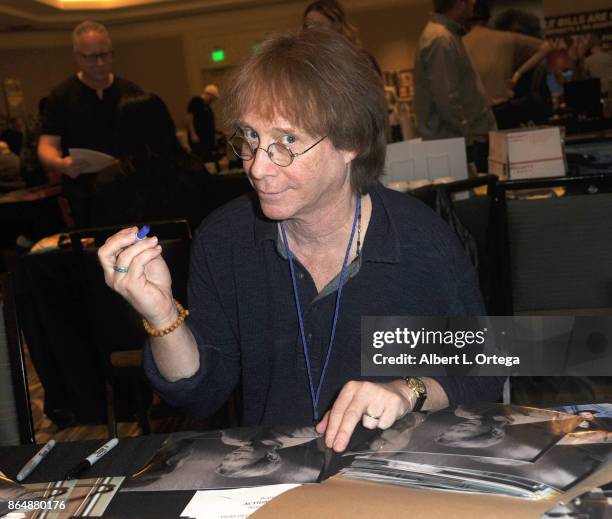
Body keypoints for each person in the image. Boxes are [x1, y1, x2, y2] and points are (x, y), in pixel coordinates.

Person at [98, 29, 504, 453]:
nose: (257, 168)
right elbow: (200, 395)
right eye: (251, 138)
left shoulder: (420, 241)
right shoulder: (226, 240)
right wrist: (162, 312)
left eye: (286, 141)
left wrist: (407, 390)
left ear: (352, 143)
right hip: (270, 477)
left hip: (396, 474)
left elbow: (484, 370)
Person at [38, 20, 142, 228]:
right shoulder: (61, 95)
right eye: (92, 57)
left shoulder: (130, 91)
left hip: (129, 190)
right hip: (84, 193)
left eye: (105, 54)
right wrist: (61, 164)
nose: (101, 62)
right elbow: (46, 146)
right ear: (78, 57)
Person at [91, 92, 213, 230]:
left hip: (133, 250)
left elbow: (103, 233)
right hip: (190, 249)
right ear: (166, 123)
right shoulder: (192, 169)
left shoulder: (110, 180)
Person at [413, 0, 496, 174]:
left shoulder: (447, 35)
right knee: (472, 198)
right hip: (455, 144)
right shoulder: (440, 38)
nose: (474, 2)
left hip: (459, 140)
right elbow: (447, 98)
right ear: (459, 3)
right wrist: (468, 138)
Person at [463, 1, 552, 129]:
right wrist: (518, 74)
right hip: (504, 109)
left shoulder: (461, 44)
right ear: (488, 20)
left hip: (476, 113)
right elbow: (546, 47)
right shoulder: (507, 38)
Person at [302, 0, 382, 77]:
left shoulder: (361, 60)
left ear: (337, 26)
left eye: (318, 25)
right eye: (308, 25)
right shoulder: (306, 63)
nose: (311, 30)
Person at [186, 84, 219, 168]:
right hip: (199, 137)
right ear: (209, 95)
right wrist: (193, 134)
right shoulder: (196, 101)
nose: (213, 100)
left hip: (207, 138)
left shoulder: (208, 106)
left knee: (209, 159)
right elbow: (189, 118)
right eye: (213, 98)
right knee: (201, 159)